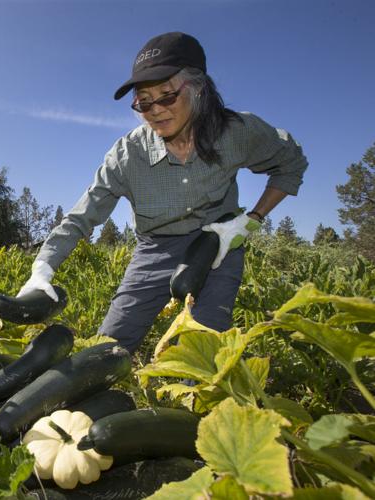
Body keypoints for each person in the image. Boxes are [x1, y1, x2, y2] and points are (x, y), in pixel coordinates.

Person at [18, 32, 307, 354]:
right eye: (144, 101)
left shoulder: (238, 132)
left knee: (203, 350)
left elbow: (291, 164)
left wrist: (249, 221)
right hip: (153, 250)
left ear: (198, 89)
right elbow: (80, 218)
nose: (155, 110)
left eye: (167, 96)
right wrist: (42, 269)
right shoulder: (127, 155)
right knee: (107, 349)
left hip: (216, 245)